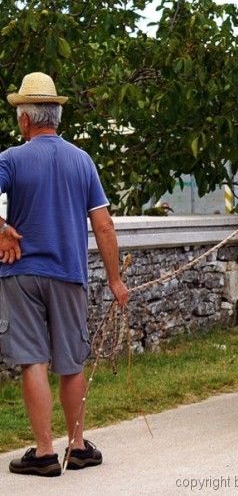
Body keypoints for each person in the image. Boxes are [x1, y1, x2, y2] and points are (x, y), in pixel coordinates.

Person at [0, 72, 128, 477]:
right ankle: (76, 446)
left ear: (25, 119)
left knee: (33, 359)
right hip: (69, 274)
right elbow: (104, 225)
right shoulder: (81, 160)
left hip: (19, 274)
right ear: (56, 117)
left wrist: (2, 228)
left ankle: (43, 453)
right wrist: (115, 280)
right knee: (70, 361)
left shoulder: (10, 159)